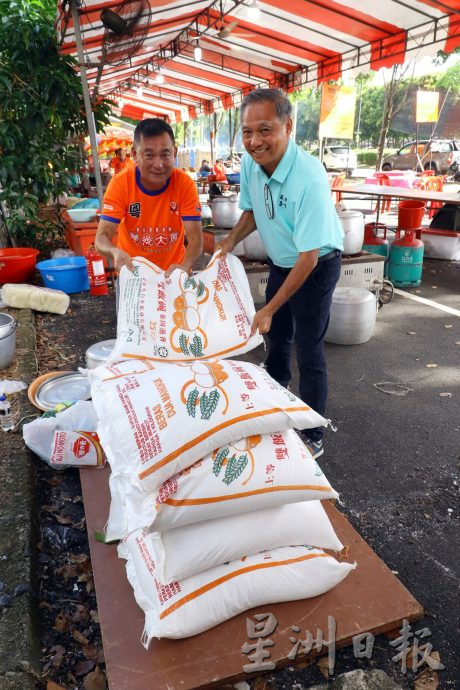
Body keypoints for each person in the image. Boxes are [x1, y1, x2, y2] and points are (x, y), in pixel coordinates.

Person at [217, 88, 344, 459]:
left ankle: (313, 429)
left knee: (308, 348)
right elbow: (253, 212)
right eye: (247, 132)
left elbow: (307, 258)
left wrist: (269, 306)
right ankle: (275, 407)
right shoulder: (249, 164)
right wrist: (228, 242)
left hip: (316, 265)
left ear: (288, 126)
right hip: (282, 263)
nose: (255, 141)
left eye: (265, 130)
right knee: (276, 342)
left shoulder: (309, 178)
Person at [96, 118, 203, 276]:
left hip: (174, 276)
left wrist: (183, 266)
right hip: (134, 278)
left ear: (175, 152)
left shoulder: (184, 183)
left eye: (165, 155)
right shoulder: (121, 184)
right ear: (134, 154)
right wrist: (114, 252)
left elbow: (196, 240)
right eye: (149, 155)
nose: (158, 164)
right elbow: (102, 238)